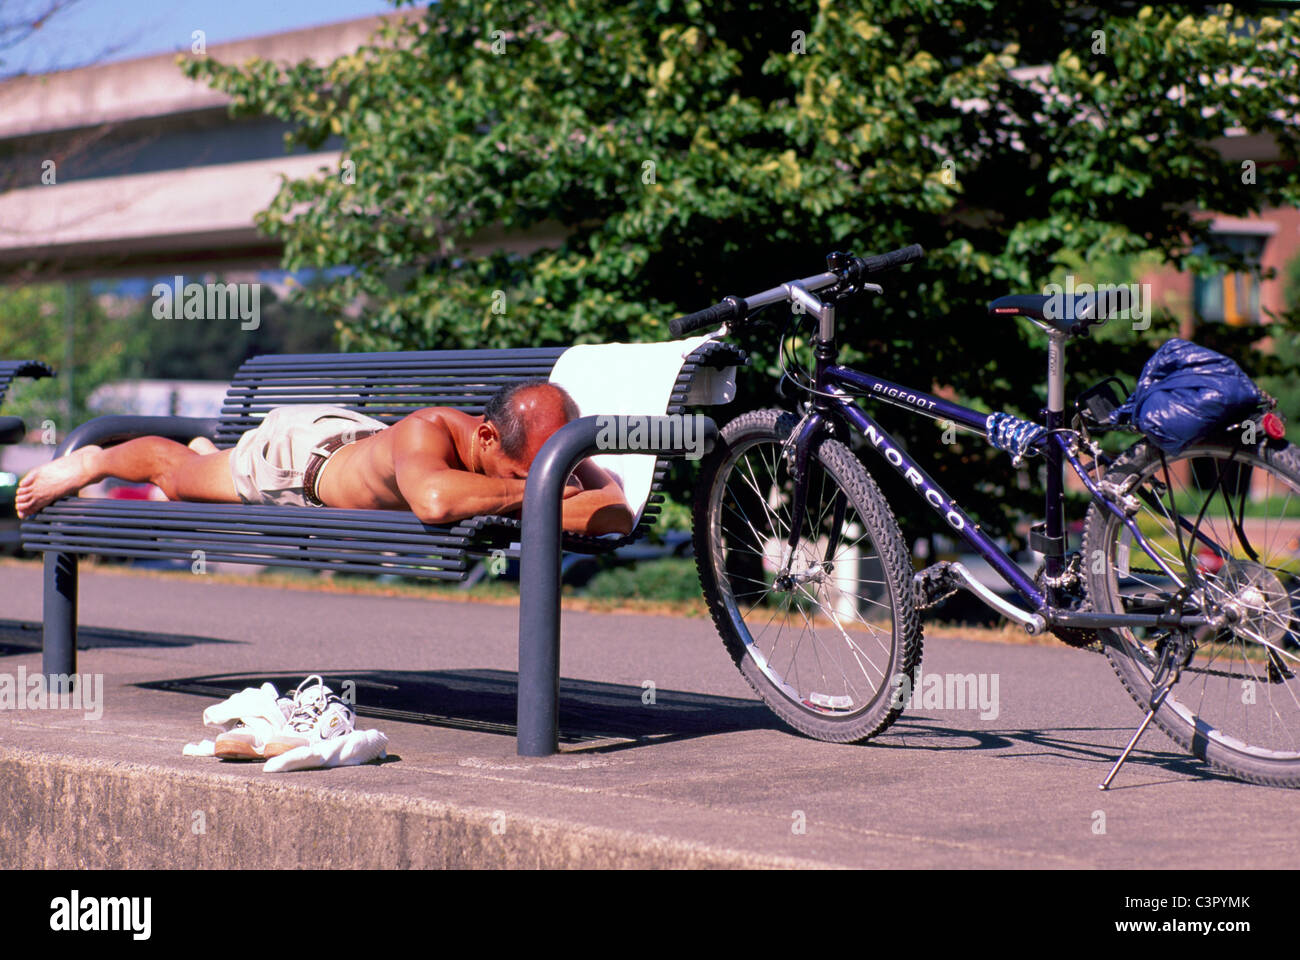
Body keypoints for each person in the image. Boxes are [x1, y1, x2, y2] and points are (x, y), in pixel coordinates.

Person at [15, 379, 634, 536]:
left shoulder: (540, 448)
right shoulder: (429, 431)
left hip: (351, 438)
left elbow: (614, 516)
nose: (548, 481)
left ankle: (212, 453)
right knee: (175, 478)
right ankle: (94, 459)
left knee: (199, 465)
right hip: (294, 462)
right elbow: (437, 500)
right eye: (527, 477)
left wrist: (574, 486)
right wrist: (555, 497)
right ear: (488, 438)